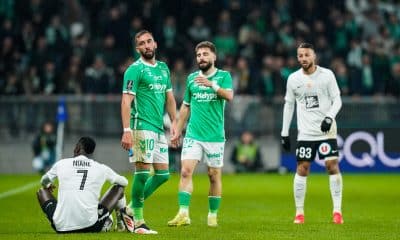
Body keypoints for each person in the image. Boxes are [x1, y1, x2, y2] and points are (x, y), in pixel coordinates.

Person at [167, 41, 233, 227]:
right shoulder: (192, 79)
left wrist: (211, 85)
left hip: (214, 137)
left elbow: (229, 96)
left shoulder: (223, 76)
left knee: (213, 175)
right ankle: (183, 213)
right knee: (186, 171)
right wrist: (177, 131)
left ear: (214, 57)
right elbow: (186, 107)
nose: (201, 58)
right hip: (193, 135)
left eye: (205, 54)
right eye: (198, 55)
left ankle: (212, 215)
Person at [120, 30, 177, 234]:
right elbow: (126, 101)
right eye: (142, 43)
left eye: (149, 41)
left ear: (155, 43)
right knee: (143, 173)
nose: (146, 45)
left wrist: (175, 124)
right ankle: (138, 222)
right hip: (140, 125)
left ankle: (127, 210)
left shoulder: (163, 68)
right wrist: (127, 130)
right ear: (138, 49)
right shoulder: (134, 70)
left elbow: (169, 99)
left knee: (163, 175)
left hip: (158, 128)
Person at [281, 43, 344, 224]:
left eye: (306, 55)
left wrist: (329, 118)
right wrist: (284, 133)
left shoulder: (327, 75)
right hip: (306, 134)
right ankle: (299, 213)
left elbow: (337, 100)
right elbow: (289, 105)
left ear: (314, 56)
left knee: (331, 166)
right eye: (300, 56)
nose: (303, 59)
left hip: (326, 132)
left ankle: (337, 212)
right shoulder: (293, 79)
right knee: (302, 168)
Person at [36, 137, 134, 233]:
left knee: (42, 191)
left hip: (61, 227)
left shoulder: (61, 163)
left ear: (77, 148)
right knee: (119, 188)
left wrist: (48, 185)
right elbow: (124, 182)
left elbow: (43, 180)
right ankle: (120, 224)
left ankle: (60, 218)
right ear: (91, 152)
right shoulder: (100, 168)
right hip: (90, 226)